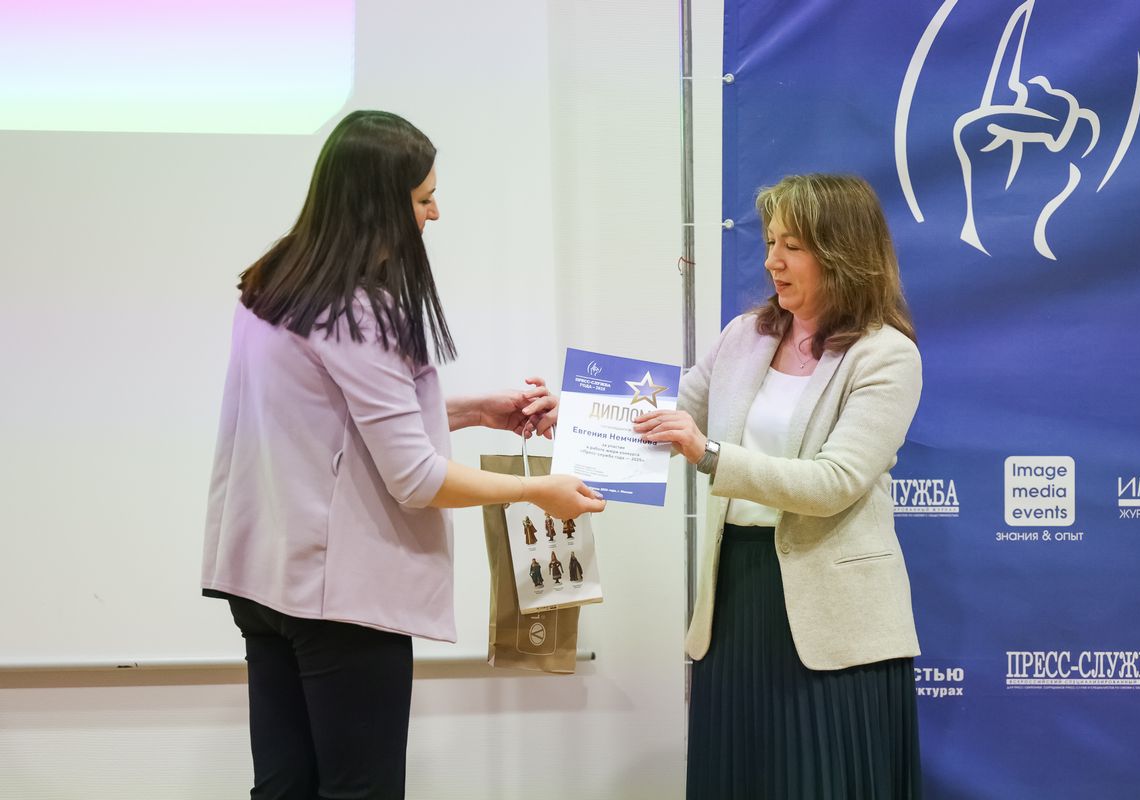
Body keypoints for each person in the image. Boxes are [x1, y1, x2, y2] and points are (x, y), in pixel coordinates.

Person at [201, 109, 605, 800]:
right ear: (379, 204)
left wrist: (474, 411)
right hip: (338, 599)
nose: (435, 214)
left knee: (284, 788)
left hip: (265, 581)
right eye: (423, 199)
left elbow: (335, 424)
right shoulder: (357, 309)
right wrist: (537, 490)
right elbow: (415, 478)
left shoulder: (274, 283)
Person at [634, 174, 923, 799]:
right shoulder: (746, 334)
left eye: (791, 246)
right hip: (737, 597)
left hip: (832, 620)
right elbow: (669, 412)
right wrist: (573, 415)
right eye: (770, 242)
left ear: (841, 252)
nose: (772, 261)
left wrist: (709, 454)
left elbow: (833, 483)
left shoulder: (886, 355)